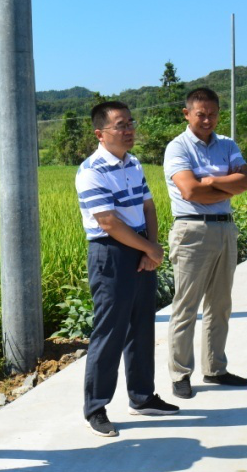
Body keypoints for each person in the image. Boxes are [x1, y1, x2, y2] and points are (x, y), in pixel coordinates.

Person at [76, 101, 180, 437]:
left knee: (141, 326)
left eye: (130, 123)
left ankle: (142, 396)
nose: (129, 130)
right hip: (111, 253)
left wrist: (151, 245)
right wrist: (150, 248)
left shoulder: (133, 163)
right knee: (110, 331)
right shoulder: (91, 170)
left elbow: (148, 206)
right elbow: (107, 221)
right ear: (100, 133)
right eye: (120, 125)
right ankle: (96, 408)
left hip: (140, 247)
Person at [162, 87, 247, 399]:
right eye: (200, 114)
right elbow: (190, 192)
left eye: (213, 114)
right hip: (192, 231)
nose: (207, 120)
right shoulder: (177, 148)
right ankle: (180, 373)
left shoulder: (227, 144)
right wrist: (228, 187)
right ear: (187, 114)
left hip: (225, 229)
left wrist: (214, 182)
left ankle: (215, 368)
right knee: (186, 306)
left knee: (220, 304)